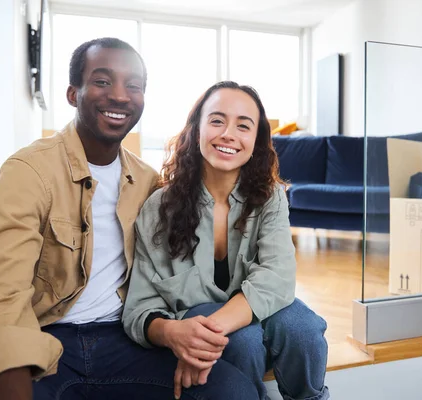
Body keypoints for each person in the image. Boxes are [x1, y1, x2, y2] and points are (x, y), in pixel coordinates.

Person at [0, 38, 257, 400]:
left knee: (233, 391)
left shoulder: (148, 182)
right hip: (47, 342)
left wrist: (177, 334)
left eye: (133, 86)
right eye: (102, 82)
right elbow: (1, 295)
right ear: (73, 93)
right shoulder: (29, 171)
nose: (120, 96)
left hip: (125, 339)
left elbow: (173, 276)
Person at [123, 81, 330, 400]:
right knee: (241, 340)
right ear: (196, 130)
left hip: (232, 316)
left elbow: (278, 276)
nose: (228, 134)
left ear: (257, 140)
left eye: (243, 125)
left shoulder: (271, 196)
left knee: (304, 327)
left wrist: (209, 334)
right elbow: (140, 308)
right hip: (194, 318)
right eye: (217, 120)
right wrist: (184, 339)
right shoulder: (158, 208)